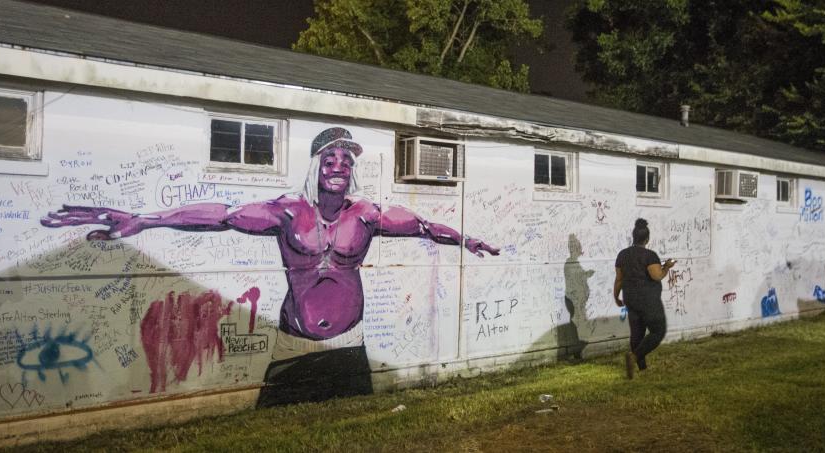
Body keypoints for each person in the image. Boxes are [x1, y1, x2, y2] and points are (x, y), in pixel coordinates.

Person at [42, 127, 500, 404]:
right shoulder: (287, 213)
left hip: (350, 345)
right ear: (316, 166)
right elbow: (220, 215)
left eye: (346, 159)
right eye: (330, 158)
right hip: (293, 347)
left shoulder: (367, 215)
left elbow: (420, 225)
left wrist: (465, 238)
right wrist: (144, 220)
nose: (339, 165)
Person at [613, 218, 675, 378]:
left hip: (630, 299)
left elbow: (619, 279)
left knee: (637, 334)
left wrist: (616, 296)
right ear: (647, 239)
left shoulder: (622, 255)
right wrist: (666, 267)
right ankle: (633, 358)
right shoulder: (650, 255)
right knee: (658, 331)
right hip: (648, 300)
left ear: (633, 237)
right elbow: (656, 276)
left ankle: (641, 369)